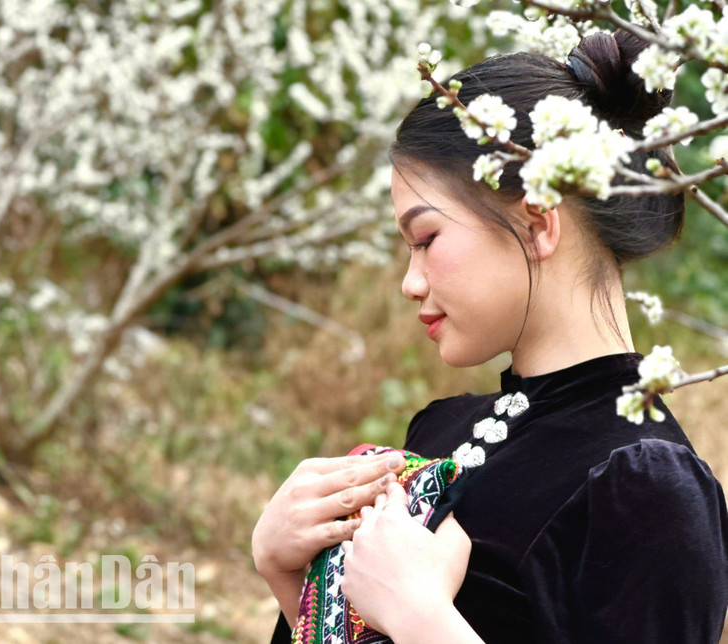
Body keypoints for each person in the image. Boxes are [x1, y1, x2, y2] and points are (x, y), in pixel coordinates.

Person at [252, 29, 728, 643]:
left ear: (537, 223)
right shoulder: (438, 431)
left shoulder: (644, 487)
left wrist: (423, 618)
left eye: (426, 240)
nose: (410, 282)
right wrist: (285, 574)